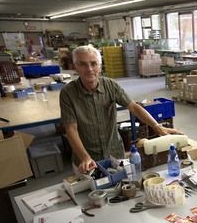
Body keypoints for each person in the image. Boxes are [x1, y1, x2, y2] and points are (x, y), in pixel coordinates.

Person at [60, 45, 180, 174]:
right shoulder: (68, 93)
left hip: (114, 154)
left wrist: (157, 127)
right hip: (87, 160)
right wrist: (84, 157)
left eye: (93, 64)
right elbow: (71, 128)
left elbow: (133, 106)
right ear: (75, 67)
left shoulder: (110, 86)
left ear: (99, 67)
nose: (89, 69)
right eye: (83, 64)